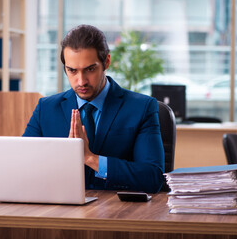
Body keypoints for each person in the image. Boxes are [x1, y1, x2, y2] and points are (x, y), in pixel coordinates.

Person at [23, 24, 164, 193]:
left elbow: (153, 178)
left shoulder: (142, 108)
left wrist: (90, 158)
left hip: (117, 212)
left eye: (90, 69)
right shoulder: (46, 109)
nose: (81, 81)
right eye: (72, 71)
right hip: (59, 210)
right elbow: (24, 167)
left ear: (106, 62)